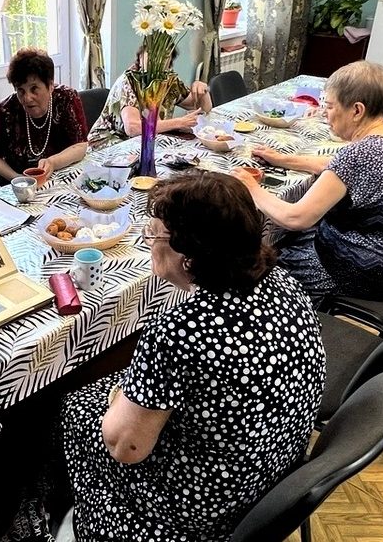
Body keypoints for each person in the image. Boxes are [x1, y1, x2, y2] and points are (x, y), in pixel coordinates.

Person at [59, 171, 325, 542]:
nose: (148, 241)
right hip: (276, 472)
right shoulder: (282, 281)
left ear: (189, 256)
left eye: (153, 234)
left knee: (77, 407)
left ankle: (100, 522)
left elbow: (126, 448)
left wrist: (119, 394)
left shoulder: (177, 332)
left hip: (204, 509)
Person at [234, 61, 383, 304]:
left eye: (330, 106)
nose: (325, 114)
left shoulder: (360, 154)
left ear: (357, 110)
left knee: (253, 263)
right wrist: (283, 159)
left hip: (354, 272)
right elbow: (335, 166)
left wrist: (249, 187)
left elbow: (296, 218)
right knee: (282, 238)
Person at [0, 48, 89, 182]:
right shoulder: (5, 111)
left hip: (62, 178)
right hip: (20, 186)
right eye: (21, 90)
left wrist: (53, 162)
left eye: (34, 89)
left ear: (50, 85)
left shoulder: (66, 98)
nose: (27, 98)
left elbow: (81, 146)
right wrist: (16, 177)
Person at [86, 45, 213, 146]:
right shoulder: (130, 81)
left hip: (146, 142)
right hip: (111, 144)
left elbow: (203, 108)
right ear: (141, 57)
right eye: (152, 55)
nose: (158, 61)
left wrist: (202, 90)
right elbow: (132, 128)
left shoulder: (169, 79)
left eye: (165, 56)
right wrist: (178, 122)